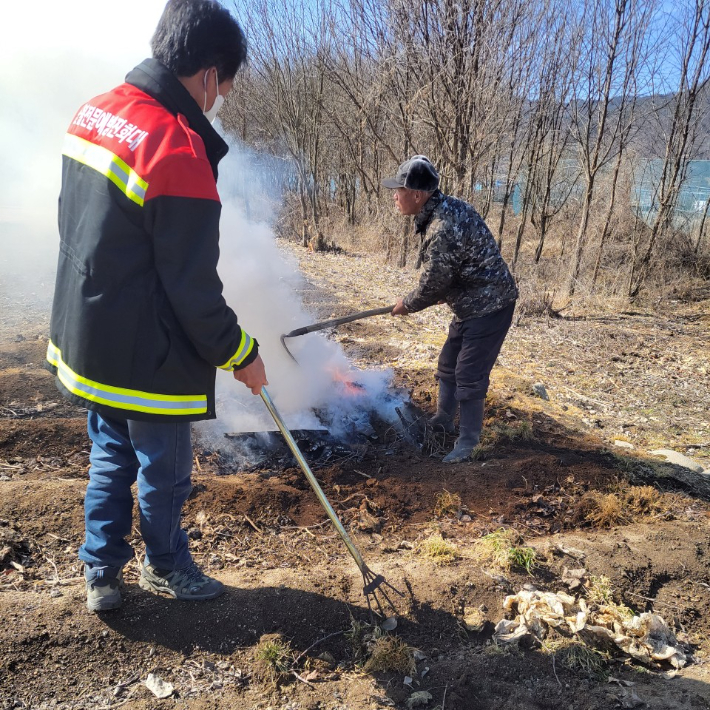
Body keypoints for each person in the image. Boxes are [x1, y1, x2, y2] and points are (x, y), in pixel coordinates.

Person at [45, 0, 268, 612]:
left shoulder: (95, 112)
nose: (218, 101)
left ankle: (102, 574)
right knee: (164, 467)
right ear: (207, 74)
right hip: (148, 351)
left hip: (89, 334)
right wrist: (240, 352)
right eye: (223, 87)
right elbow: (192, 288)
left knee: (110, 453)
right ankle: (167, 567)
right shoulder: (177, 149)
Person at [385, 156, 518, 463]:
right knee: (448, 363)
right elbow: (454, 269)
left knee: (469, 373)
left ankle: (469, 442)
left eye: (399, 190)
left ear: (417, 195)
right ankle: (444, 419)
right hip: (470, 301)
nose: (394, 196)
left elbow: (433, 282)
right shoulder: (445, 209)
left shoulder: (442, 226)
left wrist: (408, 304)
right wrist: (448, 289)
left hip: (490, 305)